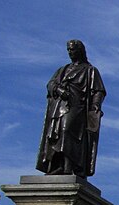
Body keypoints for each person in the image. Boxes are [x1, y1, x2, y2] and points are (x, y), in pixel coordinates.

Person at [37, 40, 106, 178]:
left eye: (72, 50)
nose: (70, 52)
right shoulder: (63, 70)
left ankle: (70, 166)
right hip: (59, 106)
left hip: (78, 107)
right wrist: (58, 89)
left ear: (80, 51)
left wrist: (95, 106)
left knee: (67, 131)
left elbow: (99, 91)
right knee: (56, 135)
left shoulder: (90, 70)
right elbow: (50, 84)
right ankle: (59, 165)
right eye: (68, 50)